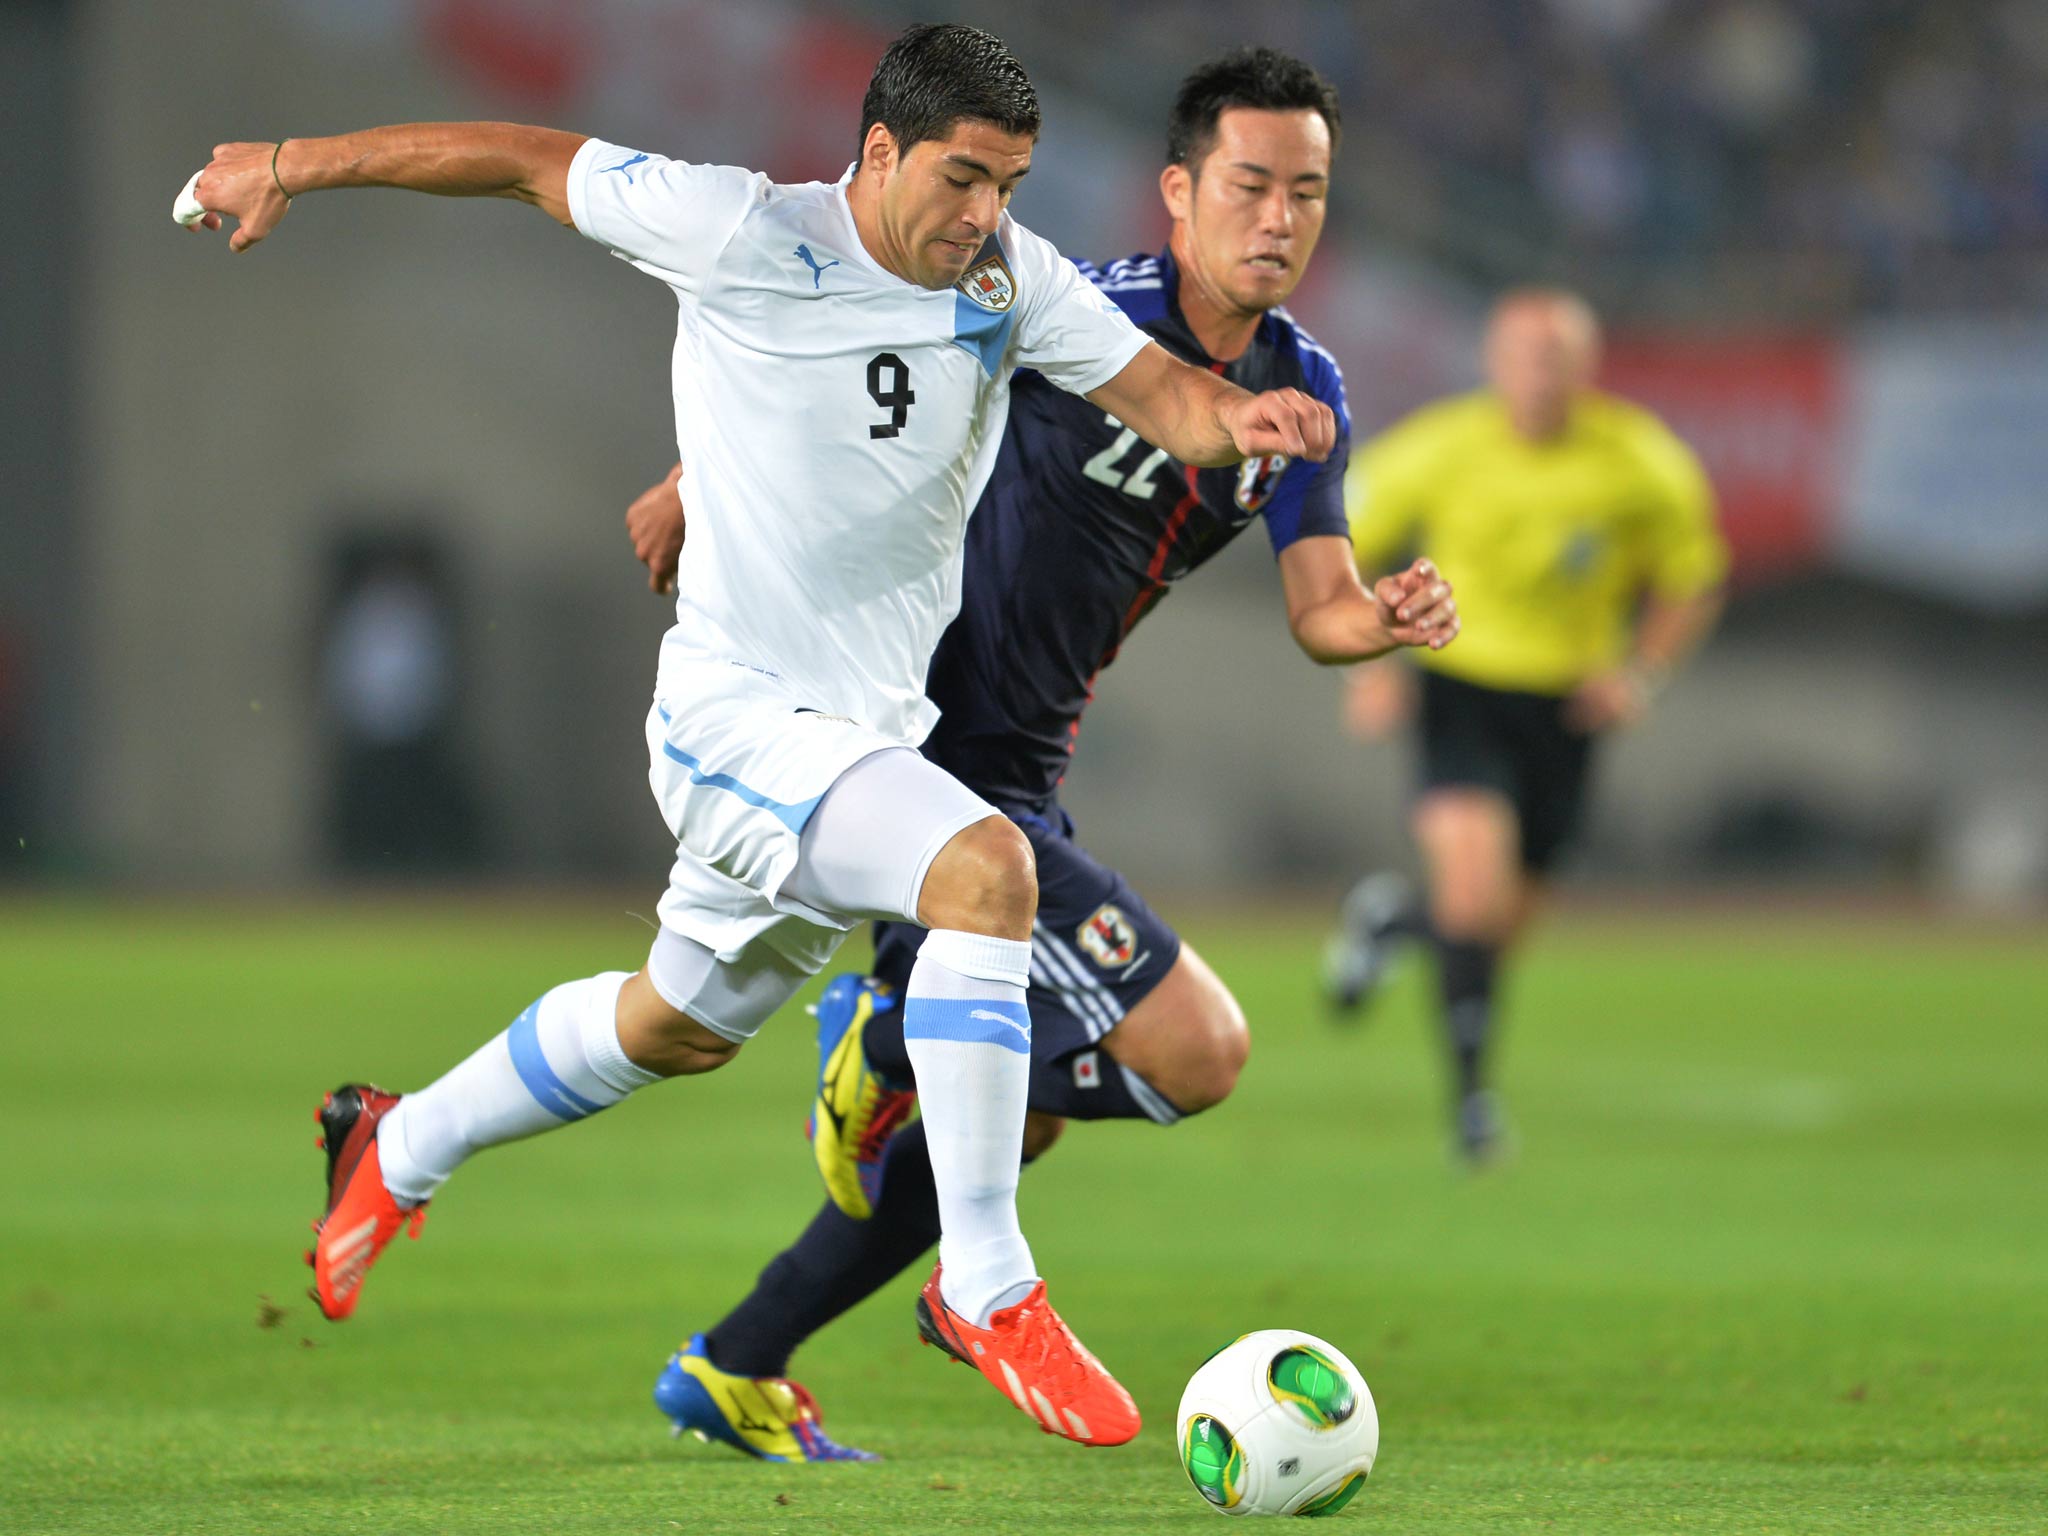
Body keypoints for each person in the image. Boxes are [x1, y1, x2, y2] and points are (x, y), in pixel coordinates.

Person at [183, 23, 1341, 1448]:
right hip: (734, 719)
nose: (985, 215)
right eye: (964, 178)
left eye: (1011, 184)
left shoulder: (1005, 276)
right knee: (988, 871)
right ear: (877, 153)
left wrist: (1251, 417)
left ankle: (396, 1141)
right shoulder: (739, 226)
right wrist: (290, 165)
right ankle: (984, 1282)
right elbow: (518, 161)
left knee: (672, 1027)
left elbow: (1166, 397)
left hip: (862, 742)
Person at [620, 48, 1459, 1462]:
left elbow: (1320, 610)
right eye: (1251, 185)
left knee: (1003, 1128)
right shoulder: (1070, 314)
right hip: (900, 744)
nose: (1280, 218)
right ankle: (884, 1055)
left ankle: (735, 1359)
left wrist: (1381, 620)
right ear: (1180, 193)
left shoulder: (1303, 395)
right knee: (1196, 1053)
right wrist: (704, 478)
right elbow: (858, 387)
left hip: (1021, 768)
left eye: (1308, 193)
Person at [1324, 289, 1728, 1163]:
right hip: (1458, 688)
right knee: (1473, 891)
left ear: (1589, 366)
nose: (1540, 375)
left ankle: (1395, 928)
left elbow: (1693, 575)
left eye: (1559, 357)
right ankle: (1472, 1105)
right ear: (1494, 363)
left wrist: (1641, 674)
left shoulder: (1639, 459)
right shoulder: (1443, 445)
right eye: (1524, 355)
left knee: (1499, 923)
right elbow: (1339, 533)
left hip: (1565, 709)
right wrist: (1373, 654)